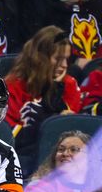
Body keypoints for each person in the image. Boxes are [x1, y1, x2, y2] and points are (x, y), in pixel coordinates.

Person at [5, 26, 81, 177]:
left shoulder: (69, 85)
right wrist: (43, 123)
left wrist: (55, 91)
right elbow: (10, 139)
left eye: (66, 59)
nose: (65, 65)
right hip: (25, 163)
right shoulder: (12, 86)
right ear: (41, 58)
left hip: (65, 165)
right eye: (58, 59)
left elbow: (75, 137)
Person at [16, 130, 102, 192]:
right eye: (61, 150)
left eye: (74, 150)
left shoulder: (98, 190)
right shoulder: (40, 187)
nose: (65, 153)